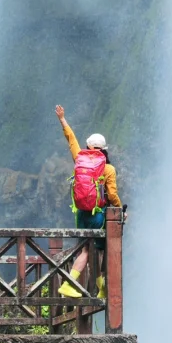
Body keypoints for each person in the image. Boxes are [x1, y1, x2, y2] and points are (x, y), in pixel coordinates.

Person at [54, 104, 122, 298]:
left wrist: (62, 119)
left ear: (89, 147)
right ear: (104, 150)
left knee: (89, 248)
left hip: (81, 214)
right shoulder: (108, 169)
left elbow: (71, 140)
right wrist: (119, 210)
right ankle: (69, 284)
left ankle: (101, 288)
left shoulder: (79, 159)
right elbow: (113, 194)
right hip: (97, 216)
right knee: (100, 249)